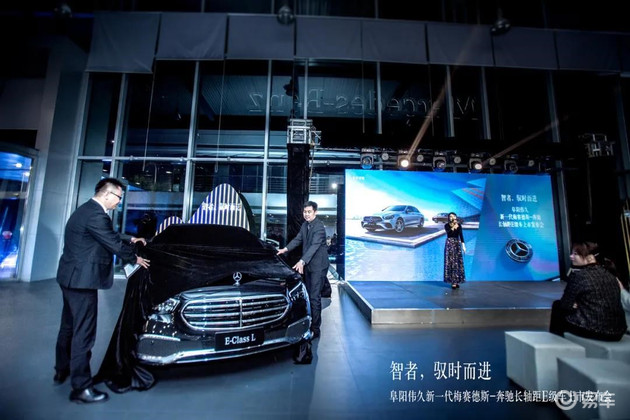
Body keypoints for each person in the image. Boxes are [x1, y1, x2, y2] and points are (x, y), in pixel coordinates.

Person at [54, 177, 150, 404]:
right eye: (119, 197)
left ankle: (62, 370)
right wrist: (136, 259)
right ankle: (81, 388)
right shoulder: (97, 215)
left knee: (68, 327)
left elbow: (108, 234)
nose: (119, 202)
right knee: (84, 334)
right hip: (82, 281)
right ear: (107, 194)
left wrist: (131, 238)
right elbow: (112, 244)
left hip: (69, 278)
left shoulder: (87, 210)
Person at [549, 241, 626, 341]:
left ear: (589, 257)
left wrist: (575, 304)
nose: (571, 257)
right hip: (618, 332)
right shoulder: (610, 275)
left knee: (557, 306)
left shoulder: (579, 276)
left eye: (575, 254)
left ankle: (557, 342)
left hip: (594, 330)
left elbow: (565, 304)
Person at [277, 200, 329, 339]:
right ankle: (308, 322)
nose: (306, 214)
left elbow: (314, 246)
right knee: (308, 295)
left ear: (315, 212)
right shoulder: (305, 225)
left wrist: (302, 261)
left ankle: (315, 330)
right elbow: (298, 239)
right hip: (309, 265)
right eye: (305, 212)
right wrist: (285, 249)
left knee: (314, 297)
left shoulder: (319, 227)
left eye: (309, 212)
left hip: (318, 266)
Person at [443, 212, 466, 289]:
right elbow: (449, 233)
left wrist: (463, 246)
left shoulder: (459, 225)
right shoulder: (446, 225)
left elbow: (461, 236)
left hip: (456, 244)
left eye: (453, 216)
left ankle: (456, 281)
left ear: (456, 217)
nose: (451, 217)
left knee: (457, 262)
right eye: (450, 216)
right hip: (449, 244)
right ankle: (452, 282)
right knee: (451, 262)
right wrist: (453, 227)